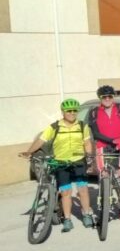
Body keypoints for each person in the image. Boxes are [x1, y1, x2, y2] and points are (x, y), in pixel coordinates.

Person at [20, 99, 95, 232]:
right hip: (61, 163)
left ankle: (87, 215)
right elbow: (41, 140)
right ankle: (67, 219)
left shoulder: (82, 126)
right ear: (63, 112)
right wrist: (29, 151)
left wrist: (89, 156)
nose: (72, 113)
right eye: (68, 111)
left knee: (83, 190)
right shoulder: (54, 127)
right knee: (66, 192)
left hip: (78, 161)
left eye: (74, 110)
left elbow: (87, 142)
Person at [87, 85, 120, 220]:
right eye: (104, 97)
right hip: (102, 147)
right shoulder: (93, 112)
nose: (107, 99)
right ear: (100, 98)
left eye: (110, 96)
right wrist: (112, 141)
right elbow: (95, 133)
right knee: (104, 176)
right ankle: (104, 211)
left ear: (113, 97)